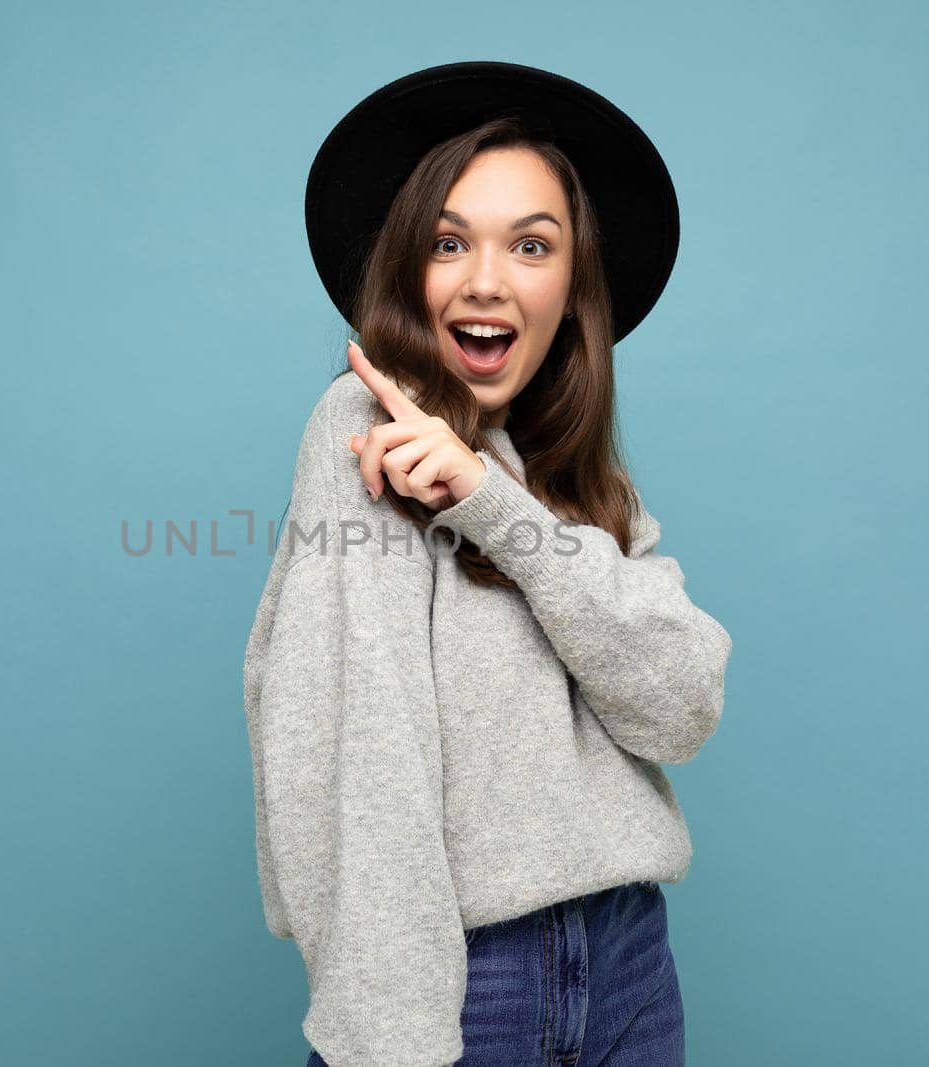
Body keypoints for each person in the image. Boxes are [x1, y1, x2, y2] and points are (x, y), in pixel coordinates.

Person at [242, 61, 733, 1067]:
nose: (484, 280)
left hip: (630, 957)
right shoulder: (365, 434)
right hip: (473, 983)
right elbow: (354, 754)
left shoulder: (572, 470)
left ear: (571, 285)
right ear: (406, 266)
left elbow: (679, 707)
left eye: (531, 245)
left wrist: (493, 505)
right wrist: (390, 1037)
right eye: (448, 240)